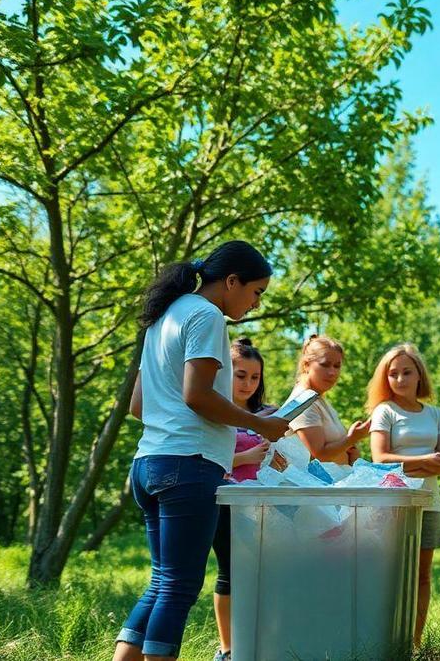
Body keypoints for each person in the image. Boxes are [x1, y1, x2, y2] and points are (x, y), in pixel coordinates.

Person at [115, 241, 290, 661]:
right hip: (187, 466)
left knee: (162, 582)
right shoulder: (207, 316)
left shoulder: (162, 319)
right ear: (231, 281)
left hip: (148, 462)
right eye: (255, 292)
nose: (255, 302)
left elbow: (138, 405)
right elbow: (197, 396)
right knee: (179, 587)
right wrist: (259, 423)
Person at [365, 343, 440, 646]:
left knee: (423, 576)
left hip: (429, 502)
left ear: (419, 375)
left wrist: (413, 466)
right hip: (394, 504)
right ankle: (386, 639)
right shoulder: (384, 411)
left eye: (406, 372)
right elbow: (380, 460)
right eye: (392, 374)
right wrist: (425, 461)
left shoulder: (435, 413)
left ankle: (413, 643)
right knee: (392, 575)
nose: (400, 379)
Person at [210, 338, 275, 661]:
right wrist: (247, 455)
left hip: (261, 503)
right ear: (225, 373)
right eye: (241, 375)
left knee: (263, 572)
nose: (248, 383)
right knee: (230, 573)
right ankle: (228, 649)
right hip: (225, 502)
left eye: (254, 377)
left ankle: (258, 643)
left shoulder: (262, 414)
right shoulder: (212, 409)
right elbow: (206, 458)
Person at [287, 334, 371, 465]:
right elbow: (320, 456)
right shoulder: (302, 402)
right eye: (325, 364)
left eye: (337, 366)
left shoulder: (318, 400)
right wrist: (352, 439)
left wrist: (351, 452)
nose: (332, 372)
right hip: (314, 484)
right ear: (306, 365)